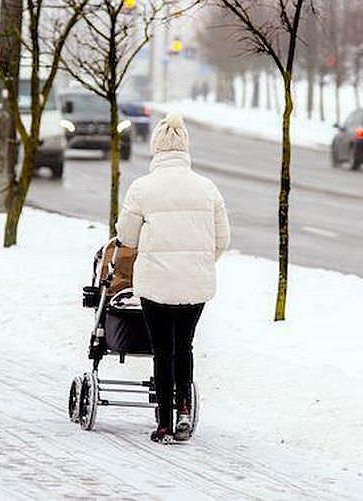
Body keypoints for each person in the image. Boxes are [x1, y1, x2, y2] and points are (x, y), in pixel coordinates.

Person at [116, 111, 230, 444]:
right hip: (196, 284)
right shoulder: (207, 188)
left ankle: (163, 422)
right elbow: (222, 239)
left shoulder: (142, 188)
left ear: (156, 148)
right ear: (185, 148)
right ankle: (183, 410)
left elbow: (127, 237)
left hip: (156, 284)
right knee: (185, 347)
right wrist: (201, 261)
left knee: (162, 350)